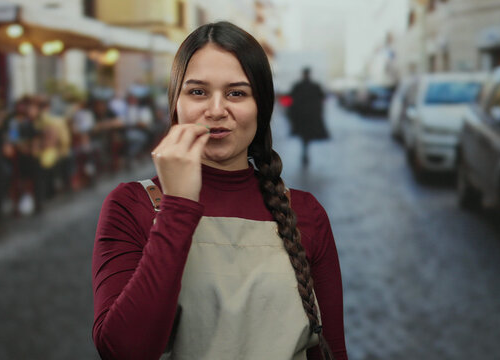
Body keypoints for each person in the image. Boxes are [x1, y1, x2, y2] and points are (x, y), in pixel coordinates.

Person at [92, 22, 347, 360]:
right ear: (176, 103)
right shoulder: (131, 205)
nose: (215, 110)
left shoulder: (307, 213)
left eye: (236, 93)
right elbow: (124, 351)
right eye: (197, 91)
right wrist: (178, 206)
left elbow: (333, 351)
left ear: (262, 106)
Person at [288, 67, 329, 166]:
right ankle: (305, 151)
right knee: (306, 134)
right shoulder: (314, 86)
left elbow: (291, 99)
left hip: (301, 116)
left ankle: (305, 150)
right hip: (310, 116)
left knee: (304, 135)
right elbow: (322, 98)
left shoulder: (298, 86)